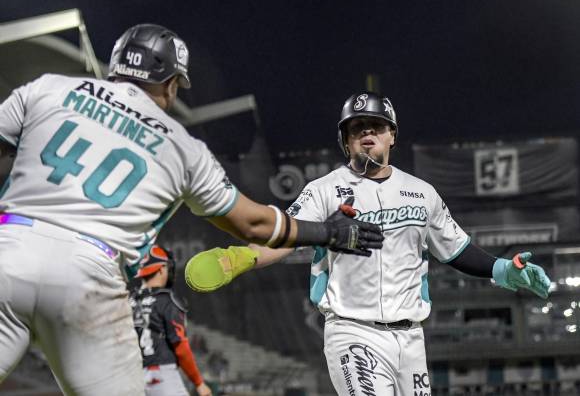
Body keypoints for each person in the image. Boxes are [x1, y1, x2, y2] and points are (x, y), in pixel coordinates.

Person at [0, 24, 383, 396]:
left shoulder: (48, 88)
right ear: (170, 84)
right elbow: (253, 224)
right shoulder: (182, 147)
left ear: (116, 64)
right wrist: (327, 232)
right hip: (89, 275)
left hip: (9, 250)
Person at [186, 91, 552, 396]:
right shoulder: (324, 190)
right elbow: (288, 236)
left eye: (375, 125)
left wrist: (502, 269)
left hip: (410, 339)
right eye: (356, 127)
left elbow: (455, 248)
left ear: (392, 135)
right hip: (352, 331)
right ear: (345, 140)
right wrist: (242, 257)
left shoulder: (422, 193)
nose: (366, 132)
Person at [130, 244, 212, 396]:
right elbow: (181, 347)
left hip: (133, 378)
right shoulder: (167, 300)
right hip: (161, 375)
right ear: (161, 269)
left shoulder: (130, 301)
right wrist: (199, 383)